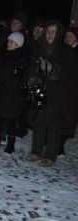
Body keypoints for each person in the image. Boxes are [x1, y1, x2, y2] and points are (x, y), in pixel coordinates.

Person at [26, 21, 76, 167]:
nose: (50, 34)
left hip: (57, 93)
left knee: (54, 125)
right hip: (40, 89)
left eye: (53, 32)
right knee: (39, 121)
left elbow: (69, 72)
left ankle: (50, 155)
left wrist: (51, 68)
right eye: (48, 31)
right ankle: (36, 151)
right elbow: (32, 67)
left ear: (59, 34)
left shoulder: (66, 51)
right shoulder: (39, 48)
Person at [0, 32, 30, 154]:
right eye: (9, 41)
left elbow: (19, 77)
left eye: (12, 42)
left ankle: (10, 144)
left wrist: (7, 85)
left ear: (18, 45)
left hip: (11, 93)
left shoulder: (22, 58)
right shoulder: (1, 54)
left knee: (11, 120)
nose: (9, 43)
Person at [60, 27, 78, 155]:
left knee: (69, 117)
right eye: (66, 36)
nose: (67, 39)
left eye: (70, 36)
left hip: (73, 90)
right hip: (60, 88)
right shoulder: (62, 50)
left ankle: (60, 144)